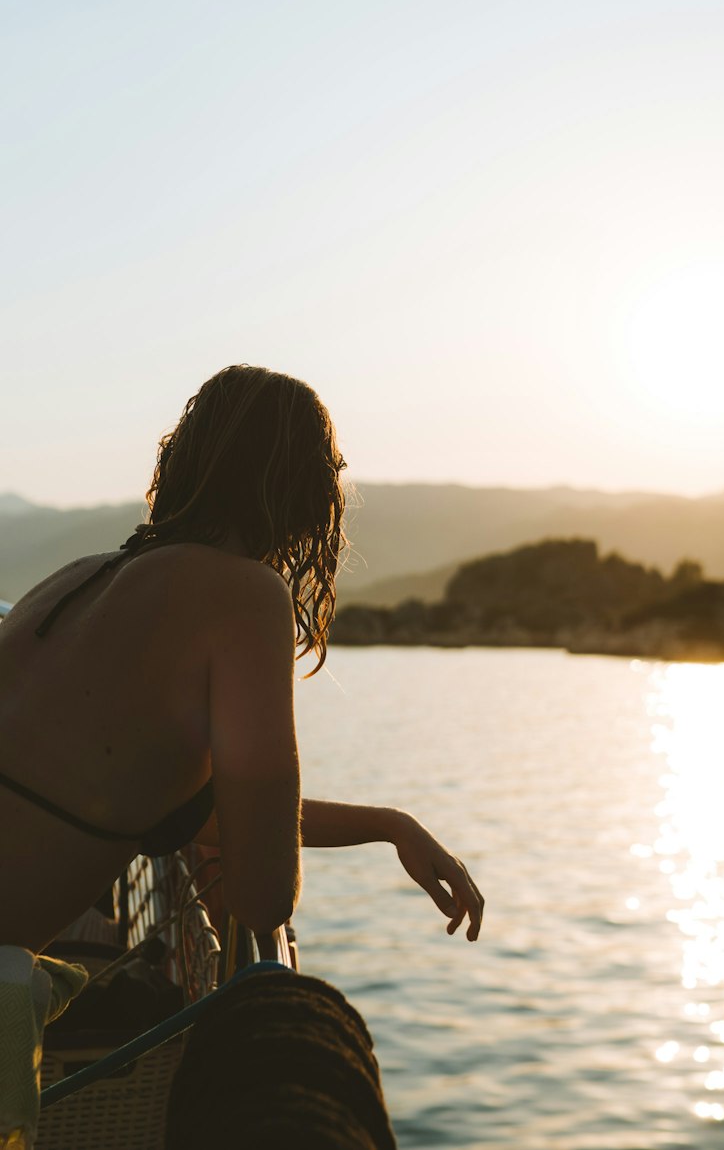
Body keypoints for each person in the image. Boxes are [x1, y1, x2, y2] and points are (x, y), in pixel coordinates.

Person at [0, 364, 484, 953]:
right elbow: (262, 897)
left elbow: (133, 800)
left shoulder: (78, 578)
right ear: (306, 493)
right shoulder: (245, 595)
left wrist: (387, 826)